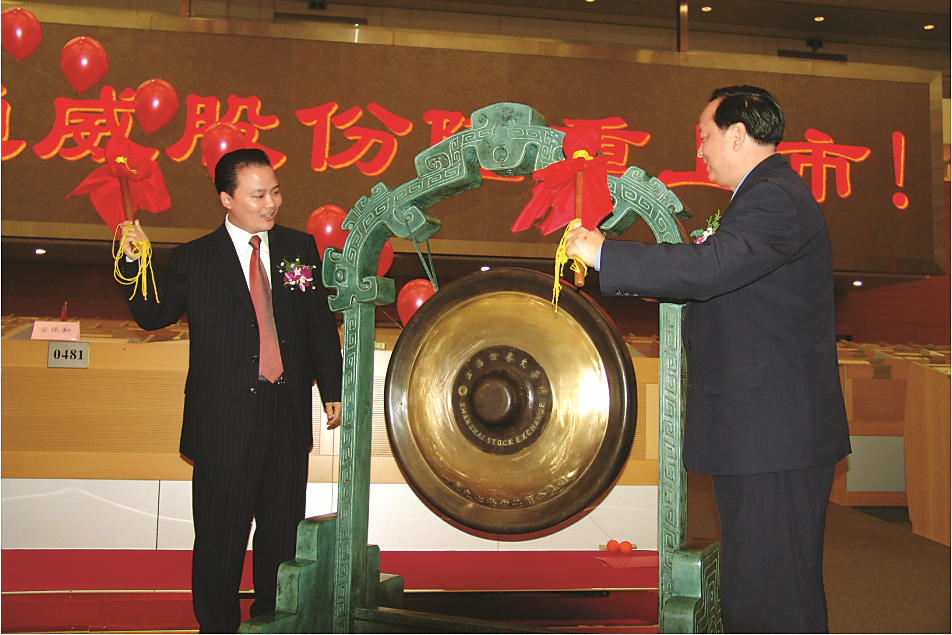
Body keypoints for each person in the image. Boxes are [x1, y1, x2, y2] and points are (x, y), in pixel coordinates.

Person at [566, 86, 850, 633]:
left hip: (772, 433)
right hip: (765, 432)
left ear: (738, 135)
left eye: (705, 136)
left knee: (769, 598)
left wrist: (603, 252)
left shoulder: (774, 197)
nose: (699, 151)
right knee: (762, 586)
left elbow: (709, 268)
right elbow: (715, 278)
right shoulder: (763, 196)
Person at [119, 148, 343, 633]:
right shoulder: (194, 258)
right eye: (258, 195)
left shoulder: (299, 247)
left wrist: (333, 386)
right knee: (219, 544)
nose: (271, 203)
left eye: (275, 191)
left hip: (285, 420)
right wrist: (137, 263)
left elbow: (318, 323)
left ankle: (273, 624)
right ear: (227, 199)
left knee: (281, 542)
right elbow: (153, 314)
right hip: (223, 425)